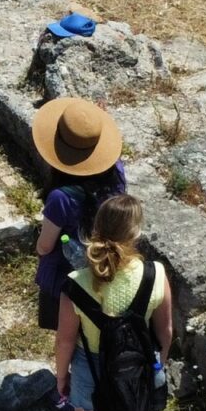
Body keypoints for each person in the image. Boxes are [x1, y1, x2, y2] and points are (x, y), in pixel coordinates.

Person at [53, 194, 172, 411]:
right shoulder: (156, 274)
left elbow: (64, 340)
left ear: (96, 229)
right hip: (137, 372)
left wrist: (62, 377)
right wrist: (151, 371)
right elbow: (165, 334)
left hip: (90, 373)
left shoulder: (77, 283)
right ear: (135, 233)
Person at [29, 95, 127, 333]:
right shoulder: (117, 173)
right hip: (104, 267)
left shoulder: (61, 198)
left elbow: (45, 246)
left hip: (67, 276)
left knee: (66, 333)